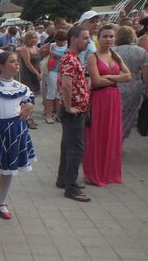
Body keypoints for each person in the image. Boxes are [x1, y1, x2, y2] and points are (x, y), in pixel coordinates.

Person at [0, 51, 37, 219]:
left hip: (16, 131)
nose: (17, 64)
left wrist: (29, 105)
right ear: (1, 66)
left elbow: (29, 99)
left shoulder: (21, 87)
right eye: (12, 61)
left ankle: (2, 201)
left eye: (17, 61)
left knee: (9, 169)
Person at [83, 24, 130, 186]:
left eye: (111, 36)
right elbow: (96, 81)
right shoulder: (92, 57)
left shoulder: (115, 55)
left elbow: (128, 76)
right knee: (97, 134)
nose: (108, 39)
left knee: (112, 134)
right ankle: (94, 173)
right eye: (105, 36)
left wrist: (109, 77)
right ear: (98, 38)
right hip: (99, 99)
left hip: (113, 98)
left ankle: (109, 172)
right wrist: (116, 76)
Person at [57, 26, 92, 202]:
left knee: (67, 146)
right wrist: (70, 106)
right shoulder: (70, 59)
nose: (88, 41)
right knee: (76, 149)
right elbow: (66, 84)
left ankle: (63, 180)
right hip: (73, 111)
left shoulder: (72, 58)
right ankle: (71, 186)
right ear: (73, 39)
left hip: (75, 109)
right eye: (85, 38)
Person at [114, 25, 148, 139]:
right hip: (134, 86)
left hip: (116, 84)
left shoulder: (112, 51)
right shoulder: (141, 52)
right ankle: (120, 139)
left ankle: (113, 139)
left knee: (115, 113)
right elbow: (146, 74)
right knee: (129, 115)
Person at [17, 31, 42, 129]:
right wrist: (37, 73)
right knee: (28, 97)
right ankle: (27, 118)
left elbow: (39, 62)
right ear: (27, 39)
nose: (35, 40)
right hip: (28, 75)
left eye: (36, 38)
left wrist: (41, 72)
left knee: (34, 96)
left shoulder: (35, 48)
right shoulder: (25, 49)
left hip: (36, 74)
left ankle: (30, 117)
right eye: (32, 38)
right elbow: (28, 64)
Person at [42, 30, 68, 124]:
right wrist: (46, 50)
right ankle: (48, 115)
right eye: (58, 40)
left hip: (62, 71)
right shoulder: (52, 45)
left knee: (59, 94)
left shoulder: (67, 45)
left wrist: (56, 55)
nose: (60, 42)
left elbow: (68, 57)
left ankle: (58, 114)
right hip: (52, 71)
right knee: (51, 92)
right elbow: (41, 52)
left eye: (62, 40)